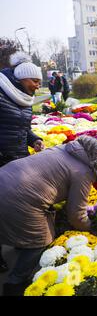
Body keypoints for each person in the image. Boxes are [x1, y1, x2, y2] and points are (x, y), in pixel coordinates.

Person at [0, 135, 97, 296]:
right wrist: (93, 229)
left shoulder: (61, 149)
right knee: (40, 239)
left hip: (4, 176)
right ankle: (14, 284)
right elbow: (76, 215)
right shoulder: (83, 171)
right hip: (17, 197)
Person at [0, 52, 45, 274]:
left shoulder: (24, 99)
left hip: (18, 158)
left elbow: (22, 127)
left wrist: (34, 139)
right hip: (1, 160)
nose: (38, 86)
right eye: (35, 81)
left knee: (15, 205)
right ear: (21, 77)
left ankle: (19, 240)